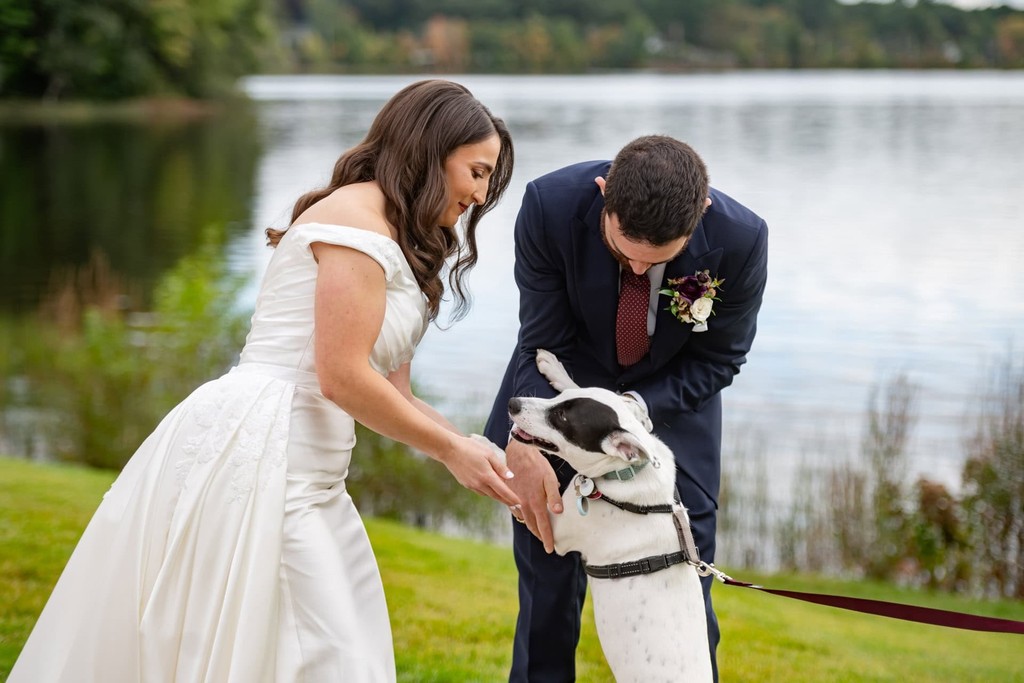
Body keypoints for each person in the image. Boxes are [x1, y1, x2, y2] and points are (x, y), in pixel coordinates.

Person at [11, 79, 518, 683]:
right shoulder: (355, 222)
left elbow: (396, 393)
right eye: (478, 172)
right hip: (266, 454)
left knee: (324, 646)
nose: (482, 196)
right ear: (432, 150)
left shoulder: (397, 233)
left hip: (313, 472)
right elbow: (341, 378)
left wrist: (475, 449)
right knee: (330, 655)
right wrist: (448, 452)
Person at [483, 134, 768, 682]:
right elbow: (539, 340)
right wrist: (524, 443)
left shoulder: (741, 238)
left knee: (686, 611)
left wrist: (634, 411)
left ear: (701, 214)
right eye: (622, 252)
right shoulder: (550, 205)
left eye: (656, 260)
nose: (637, 272)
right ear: (603, 192)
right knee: (545, 604)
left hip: (671, 425)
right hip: (558, 410)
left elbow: (720, 360)